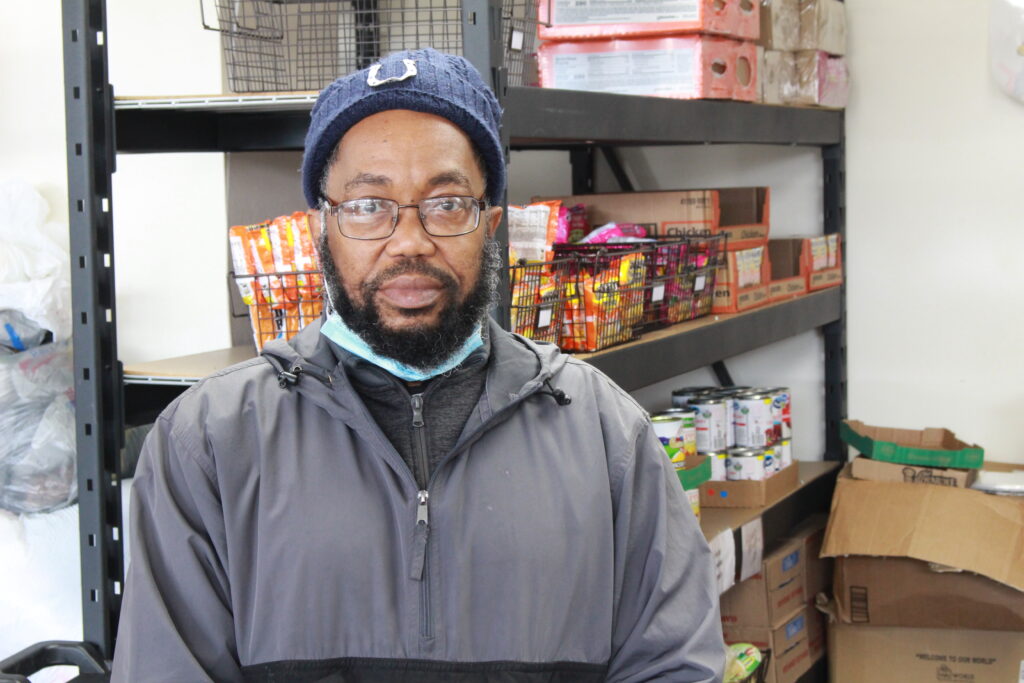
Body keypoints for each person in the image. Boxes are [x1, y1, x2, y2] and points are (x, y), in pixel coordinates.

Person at [112, 48, 724, 682]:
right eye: (368, 206)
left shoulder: (604, 433)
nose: (409, 241)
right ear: (322, 229)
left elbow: (674, 664)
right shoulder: (209, 440)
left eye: (447, 203)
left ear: (490, 226)